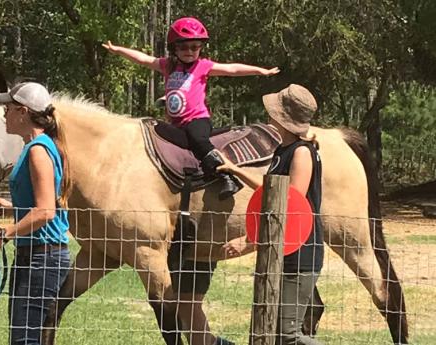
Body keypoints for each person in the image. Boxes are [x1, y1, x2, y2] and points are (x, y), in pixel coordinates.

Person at [103, 17, 280, 201]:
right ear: (174, 49)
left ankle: (227, 176)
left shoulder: (203, 66)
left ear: (200, 48)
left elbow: (232, 69)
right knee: (156, 131)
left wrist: (260, 71)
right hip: (177, 124)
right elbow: (143, 59)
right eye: (184, 47)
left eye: (195, 47)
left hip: (198, 120)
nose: (189, 51)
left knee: (197, 139)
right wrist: (118, 50)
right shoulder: (168, 65)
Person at [218, 84, 324, 345]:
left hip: (300, 254)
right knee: (274, 334)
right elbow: (274, 192)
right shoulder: (283, 151)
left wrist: (249, 241)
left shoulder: (301, 153)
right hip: (282, 252)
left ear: (282, 118)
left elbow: (291, 207)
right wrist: (236, 170)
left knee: (288, 336)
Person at [0, 82, 72, 345]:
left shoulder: (38, 151)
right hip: (38, 255)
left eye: (8, 108)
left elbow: (45, 212)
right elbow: (46, 200)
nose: (4, 114)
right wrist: (13, 207)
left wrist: (1, 236)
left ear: (22, 112)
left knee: (25, 340)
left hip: (42, 259)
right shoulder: (38, 146)